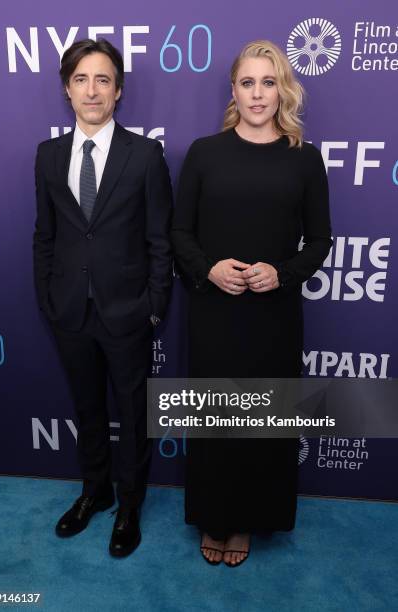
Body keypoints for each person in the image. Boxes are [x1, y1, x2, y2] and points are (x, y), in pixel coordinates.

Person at [171, 40, 332, 567]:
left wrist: (281, 274)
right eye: (247, 83)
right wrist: (209, 268)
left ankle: (246, 521)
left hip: (273, 314)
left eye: (268, 82)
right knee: (217, 420)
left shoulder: (304, 159)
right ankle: (215, 516)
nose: (257, 94)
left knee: (262, 422)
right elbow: (179, 231)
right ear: (233, 90)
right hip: (215, 310)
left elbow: (320, 241)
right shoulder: (203, 152)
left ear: (281, 89)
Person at [33, 38, 173, 557]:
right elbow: (44, 236)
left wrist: (154, 306)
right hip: (69, 311)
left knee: (133, 414)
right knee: (87, 409)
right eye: (81, 80)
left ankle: (130, 506)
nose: (92, 90)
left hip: (128, 312)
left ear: (118, 91)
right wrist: (47, 299)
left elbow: (160, 240)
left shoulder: (145, 155)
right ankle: (95, 491)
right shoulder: (48, 157)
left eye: (103, 80)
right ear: (67, 90)